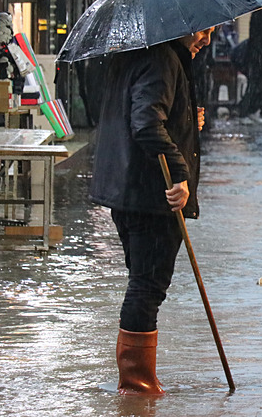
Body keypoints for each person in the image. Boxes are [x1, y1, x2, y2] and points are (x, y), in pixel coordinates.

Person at [89, 27, 213, 394]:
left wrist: (187, 118)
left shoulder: (136, 55)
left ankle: (137, 382)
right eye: (202, 31)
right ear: (180, 26)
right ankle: (136, 385)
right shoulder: (162, 58)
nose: (206, 40)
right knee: (147, 286)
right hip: (150, 196)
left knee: (143, 283)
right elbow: (145, 123)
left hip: (128, 192)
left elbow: (143, 114)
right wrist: (179, 173)